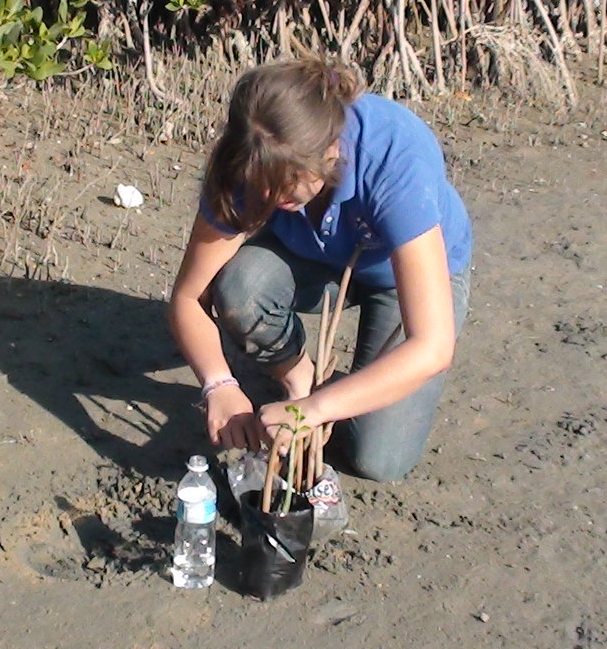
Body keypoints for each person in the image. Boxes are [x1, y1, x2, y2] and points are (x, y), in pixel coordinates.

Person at [167, 56, 472, 482]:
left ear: (331, 148)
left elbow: (432, 346)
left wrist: (314, 411)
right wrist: (219, 385)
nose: (273, 196)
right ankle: (299, 373)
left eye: (290, 179)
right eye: (262, 185)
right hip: (313, 259)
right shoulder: (251, 160)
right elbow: (187, 298)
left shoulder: (393, 155)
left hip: (401, 278)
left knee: (378, 459)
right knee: (242, 285)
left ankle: (343, 390)